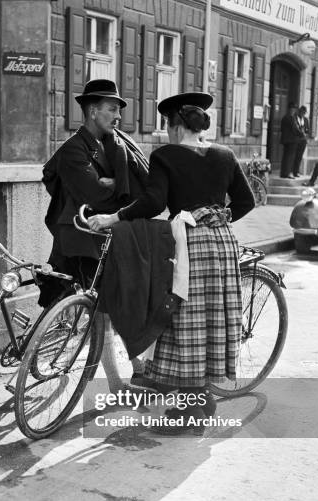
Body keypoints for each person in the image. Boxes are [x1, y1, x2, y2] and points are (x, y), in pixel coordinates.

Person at [87, 92, 255, 434]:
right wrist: (215, 216)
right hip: (222, 243)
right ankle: (197, 395)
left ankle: (194, 408)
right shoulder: (225, 154)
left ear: (174, 126)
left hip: (188, 243)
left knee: (182, 319)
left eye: (166, 126)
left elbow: (152, 203)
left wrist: (113, 218)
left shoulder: (165, 155)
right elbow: (246, 201)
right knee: (212, 318)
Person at [41, 78, 149, 392]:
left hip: (103, 234)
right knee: (103, 308)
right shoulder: (74, 150)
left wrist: (108, 181)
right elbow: (93, 194)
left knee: (119, 302)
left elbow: (111, 190)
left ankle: (137, 365)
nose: (118, 116)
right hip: (80, 240)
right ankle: (117, 381)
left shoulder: (111, 144)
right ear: (92, 111)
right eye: (111, 109)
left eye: (119, 110)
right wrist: (113, 184)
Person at [280, 102, 303, 178]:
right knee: (290, 157)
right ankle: (288, 173)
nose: (293, 110)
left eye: (294, 109)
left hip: (286, 141)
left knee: (286, 157)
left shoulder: (285, 117)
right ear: (290, 109)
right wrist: (301, 134)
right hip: (291, 141)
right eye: (293, 109)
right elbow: (295, 129)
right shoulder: (290, 118)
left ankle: (283, 173)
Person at [292, 105, 310, 177]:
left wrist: (305, 132)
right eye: (302, 112)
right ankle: (292, 170)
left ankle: (296, 172)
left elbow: (308, 129)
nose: (303, 114)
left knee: (299, 156)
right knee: (294, 156)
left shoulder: (305, 120)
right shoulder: (295, 118)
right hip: (296, 140)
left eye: (304, 113)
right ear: (299, 111)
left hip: (303, 141)